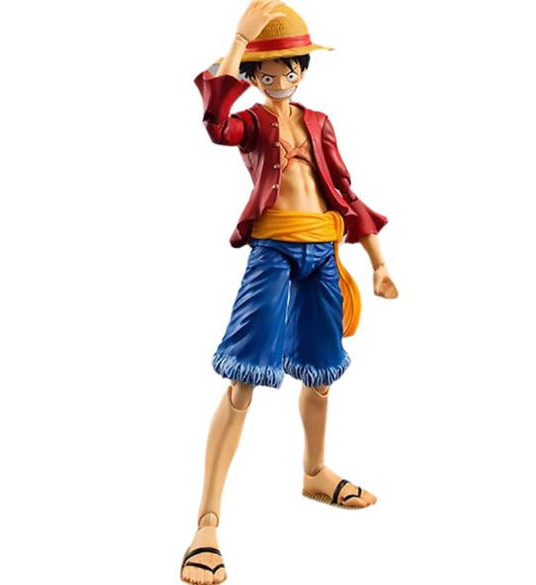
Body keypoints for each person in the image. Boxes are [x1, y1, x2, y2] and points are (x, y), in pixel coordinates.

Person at [181, 2, 398, 583]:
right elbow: (216, 126)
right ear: (254, 76)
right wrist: (238, 42)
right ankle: (206, 522)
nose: (283, 79)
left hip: (322, 252)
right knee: (243, 379)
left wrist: (378, 262)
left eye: (291, 68)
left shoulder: (320, 122)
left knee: (322, 373)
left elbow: (344, 190)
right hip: (273, 252)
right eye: (269, 71)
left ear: (304, 69)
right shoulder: (252, 121)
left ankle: (315, 472)